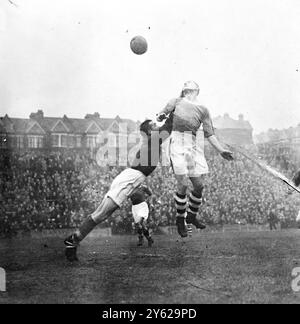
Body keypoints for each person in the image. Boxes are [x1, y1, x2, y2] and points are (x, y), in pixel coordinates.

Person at [64, 114, 173, 261]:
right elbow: (168, 127)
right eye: (153, 125)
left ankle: (73, 240)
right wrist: (176, 108)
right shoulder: (153, 139)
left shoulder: (152, 141)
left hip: (130, 179)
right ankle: (72, 240)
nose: (157, 126)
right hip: (129, 180)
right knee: (100, 215)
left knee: (100, 214)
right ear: (148, 131)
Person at [157, 81, 234, 237]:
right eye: (186, 91)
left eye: (191, 91)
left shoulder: (203, 109)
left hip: (192, 146)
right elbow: (160, 116)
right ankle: (180, 220)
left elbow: (209, 133)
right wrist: (162, 115)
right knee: (183, 183)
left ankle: (191, 216)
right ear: (184, 91)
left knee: (198, 186)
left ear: (196, 92)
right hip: (177, 144)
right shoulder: (176, 102)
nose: (188, 93)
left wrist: (220, 150)